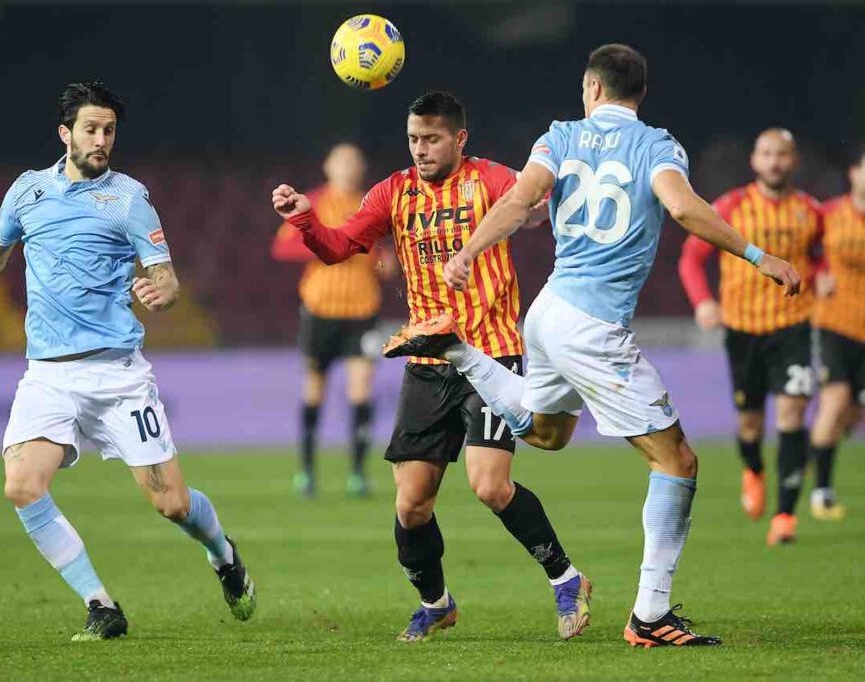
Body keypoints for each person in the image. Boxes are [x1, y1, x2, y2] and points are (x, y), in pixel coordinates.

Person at [384, 45, 800, 647]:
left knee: (545, 431)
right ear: (640, 94)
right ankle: (650, 617)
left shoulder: (558, 136)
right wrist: (759, 256)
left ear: (591, 89)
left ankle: (456, 351)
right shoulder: (657, 144)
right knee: (677, 462)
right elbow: (682, 206)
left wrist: (470, 252)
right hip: (594, 328)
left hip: (547, 313)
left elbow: (520, 200)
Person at [0, 82, 255, 641]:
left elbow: (164, 275)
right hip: (48, 374)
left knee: (170, 504)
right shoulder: (27, 193)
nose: (101, 140)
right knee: (22, 485)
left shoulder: (129, 198)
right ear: (65, 133)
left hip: (118, 375)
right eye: (91, 129)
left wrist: (162, 292)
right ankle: (101, 605)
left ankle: (223, 553)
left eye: (110, 130)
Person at [272, 91, 591, 643]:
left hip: (492, 353)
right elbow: (340, 246)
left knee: (490, 486)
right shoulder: (392, 192)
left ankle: (566, 579)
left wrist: (541, 206)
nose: (420, 149)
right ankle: (437, 603)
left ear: (459, 139)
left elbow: (532, 208)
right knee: (411, 503)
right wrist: (305, 220)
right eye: (414, 139)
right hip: (427, 358)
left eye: (432, 139)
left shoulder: (488, 179)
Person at [679, 129, 822, 545]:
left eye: (782, 154)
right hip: (743, 331)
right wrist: (704, 301)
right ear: (755, 161)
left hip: (794, 328)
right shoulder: (733, 206)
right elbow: (691, 258)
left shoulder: (811, 211)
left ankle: (785, 517)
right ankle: (754, 470)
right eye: (766, 154)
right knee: (750, 421)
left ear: (793, 161)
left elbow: (824, 254)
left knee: (793, 415)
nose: (774, 162)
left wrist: (826, 274)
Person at [272, 143, 392, 497]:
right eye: (341, 160)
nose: (348, 166)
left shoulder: (371, 205)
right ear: (328, 166)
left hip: (361, 311)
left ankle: (357, 474)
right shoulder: (312, 203)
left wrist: (383, 260)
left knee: (361, 391)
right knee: (314, 391)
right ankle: (307, 473)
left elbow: (384, 257)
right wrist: (329, 242)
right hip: (320, 310)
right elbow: (282, 247)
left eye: (354, 160)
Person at [808, 145, 865, 521]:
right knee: (834, 401)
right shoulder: (828, 215)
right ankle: (821, 494)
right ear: (854, 173)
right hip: (835, 324)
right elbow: (798, 250)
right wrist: (816, 276)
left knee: (850, 415)